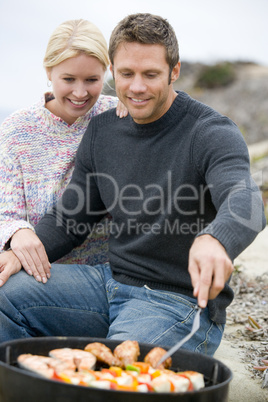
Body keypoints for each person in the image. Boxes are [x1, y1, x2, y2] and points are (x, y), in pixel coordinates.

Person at [0, 13, 265, 355]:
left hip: (177, 302)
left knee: (117, 373)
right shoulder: (103, 130)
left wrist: (216, 239)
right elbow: (70, 221)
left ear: (175, 71)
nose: (136, 87)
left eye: (150, 74)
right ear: (114, 71)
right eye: (126, 74)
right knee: (6, 292)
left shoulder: (210, 132)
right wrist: (17, 254)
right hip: (108, 285)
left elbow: (246, 199)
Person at [0, 19, 127, 285]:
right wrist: (16, 231)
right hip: (33, 271)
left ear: (107, 72)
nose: (80, 92)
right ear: (49, 71)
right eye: (68, 79)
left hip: (105, 274)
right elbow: (5, 209)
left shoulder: (117, 115)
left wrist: (132, 111)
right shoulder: (16, 130)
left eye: (92, 79)